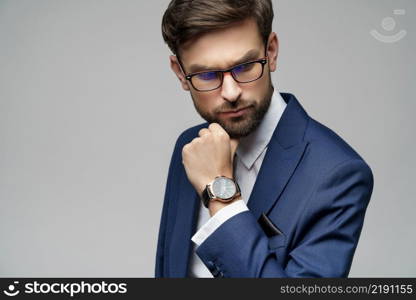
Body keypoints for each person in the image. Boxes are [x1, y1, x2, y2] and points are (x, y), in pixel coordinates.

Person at [155, 0, 374, 278]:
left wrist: (221, 197)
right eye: (207, 74)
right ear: (180, 73)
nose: (232, 92)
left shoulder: (337, 173)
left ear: (271, 51)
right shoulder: (190, 146)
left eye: (245, 66)